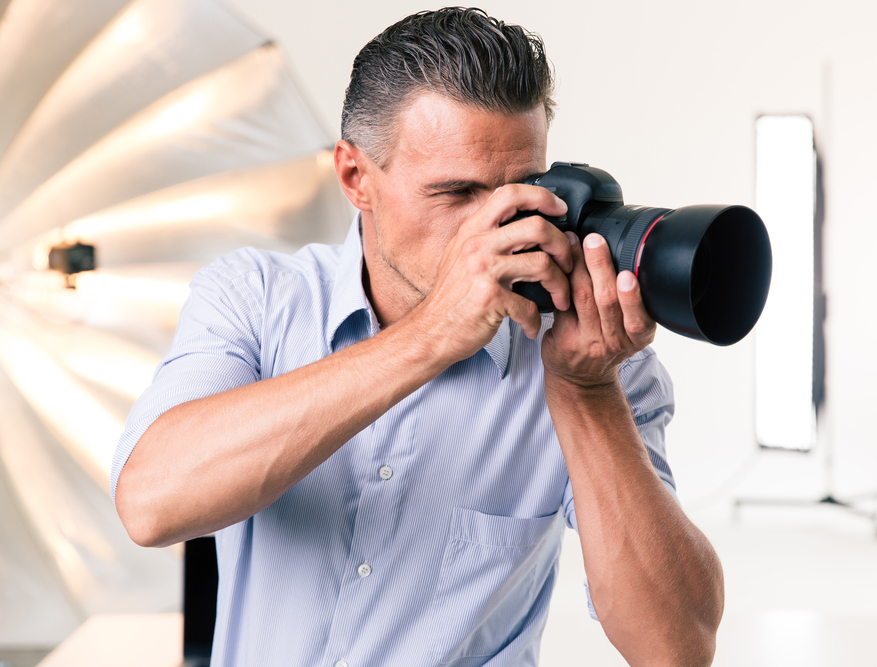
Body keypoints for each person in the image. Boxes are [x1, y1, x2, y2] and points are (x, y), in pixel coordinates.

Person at [112, 8, 723, 667]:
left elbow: (677, 647)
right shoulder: (256, 298)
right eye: (457, 192)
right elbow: (150, 503)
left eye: (522, 189)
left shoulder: (591, 354)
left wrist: (587, 392)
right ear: (355, 178)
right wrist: (430, 337)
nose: (497, 225)